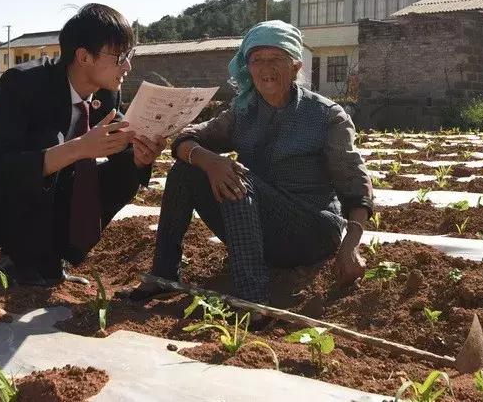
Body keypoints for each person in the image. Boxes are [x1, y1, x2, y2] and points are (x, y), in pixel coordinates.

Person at [127, 20, 373, 307]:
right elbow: (187, 138)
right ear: (248, 67)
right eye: (257, 60)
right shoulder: (244, 111)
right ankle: (163, 274)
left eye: (276, 59)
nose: (266, 69)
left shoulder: (326, 115)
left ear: (295, 66)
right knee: (187, 170)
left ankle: (252, 298)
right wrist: (208, 161)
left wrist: (350, 246)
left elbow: (355, 184)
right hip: (257, 230)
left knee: (236, 179)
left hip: (311, 231)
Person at [0, 3, 166, 285]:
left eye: (130, 54)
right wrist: (79, 148)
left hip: (32, 201)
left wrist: (141, 155)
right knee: (50, 141)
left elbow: (123, 143)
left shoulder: (107, 96)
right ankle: (16, 258)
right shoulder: (23, 85)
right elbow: (4, 168)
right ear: (84, 56)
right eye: (120, 56)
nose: (128, 66)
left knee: (126, 167)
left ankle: (53, 258)